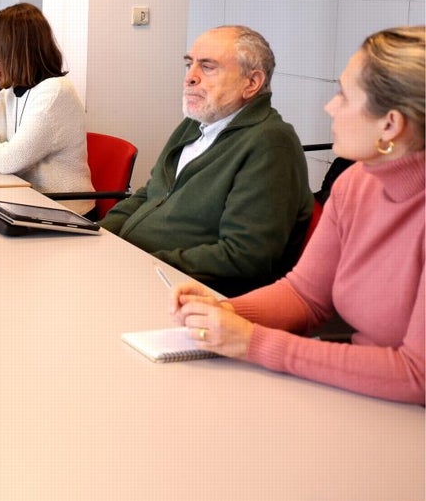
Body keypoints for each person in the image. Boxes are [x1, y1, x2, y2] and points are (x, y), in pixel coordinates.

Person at [171, 26, 425, 405]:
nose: (330, 107)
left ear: (390, 124)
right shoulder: (356, 182)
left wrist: (253, 342)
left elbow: (416, 376)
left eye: (343, 95)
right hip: (364, 399)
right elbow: (306, 296)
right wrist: (221, 311)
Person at [101, 25, 313, 296]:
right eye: (189, 65)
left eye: (208, 67)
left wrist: (142, 262)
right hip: (133, 270)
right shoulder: (196, 123)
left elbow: (245, 256)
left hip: (187, 294)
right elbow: (148, 195)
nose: (190, 78)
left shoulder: (270, 143)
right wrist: (99, 236)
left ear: (252, 83)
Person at [0, 3, 94, 211]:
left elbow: (9, 160)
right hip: (27, 201)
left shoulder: (54, 94)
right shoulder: (14, 90)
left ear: (13, 48)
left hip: (64, 210)